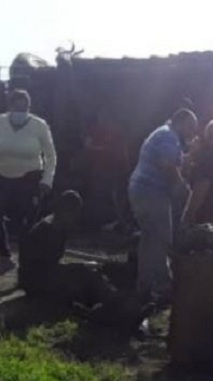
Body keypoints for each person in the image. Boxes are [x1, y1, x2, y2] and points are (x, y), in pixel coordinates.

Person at [18, 191, 145, 327]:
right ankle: (114, 303)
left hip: (42, 275)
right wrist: (75, 269)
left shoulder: (58, 226)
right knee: (84, 275)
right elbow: (41, 265)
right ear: (64, 210)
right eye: (74, 212)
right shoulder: (48, 229)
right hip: (35, 280)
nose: (75, 217)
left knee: (90, 275)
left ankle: (112, 306)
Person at [129, 108, 198, 302]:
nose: (192, 132)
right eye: (191, 127)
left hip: (144, 190)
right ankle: (160, 286)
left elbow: (176, 161)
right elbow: (168, 165)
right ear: (181, 122)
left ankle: (146, 284)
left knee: (150, 238)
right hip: (151, 191)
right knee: (160, 238)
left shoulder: (165, 135)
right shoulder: (168, 136)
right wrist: (183, 191)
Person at [0, 89, 57, 275]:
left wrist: (47, 180)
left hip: (29, 177)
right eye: (16, 106)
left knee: (27, 221)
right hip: (3, 175)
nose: (19, 110)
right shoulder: (0, 122)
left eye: (23, 106)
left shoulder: (39, 125)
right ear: (10, 106)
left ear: (28, 107)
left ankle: (29, 260)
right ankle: (3, 253)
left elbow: (50, 155)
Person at [81, 108, 130, 231]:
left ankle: (119, 223)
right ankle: (98, 223)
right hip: (102, 168)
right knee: (101, 195)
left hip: (115, 169)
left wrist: (95, 148)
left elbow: (115, 151)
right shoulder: (97, 131)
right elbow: (90, 147)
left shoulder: (115, 132)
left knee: (115, 197)